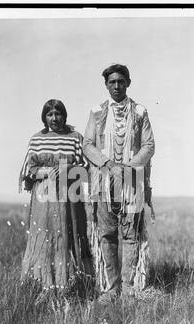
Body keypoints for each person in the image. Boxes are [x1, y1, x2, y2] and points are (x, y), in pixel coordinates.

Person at [83, 64, 155, 302]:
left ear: (128, 83)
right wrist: (107, 164)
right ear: (106, 85)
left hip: (131, 183)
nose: (116, 86)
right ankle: (111, 288)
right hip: (104, 183)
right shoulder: (97, 112)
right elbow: (88, 145)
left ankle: (128, 288)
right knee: (107, 234)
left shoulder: (140, 111)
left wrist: (128, 166)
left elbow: (148, 145)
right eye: (112, 82)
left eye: (121, 81)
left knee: (131, 235)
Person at [19, 99, 94, 300]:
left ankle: (74, 284)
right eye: (50, 114)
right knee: (46, 235)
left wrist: (66, 169)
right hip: (44, 196)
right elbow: (29, 169)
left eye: (58, 114)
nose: (54, 118)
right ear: (44, 117)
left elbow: (86, 165)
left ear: (64, 115)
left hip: (70, 195)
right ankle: (44, 284)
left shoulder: (75, 138)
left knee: (70, 233)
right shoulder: (37, 139)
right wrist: (47, 172)